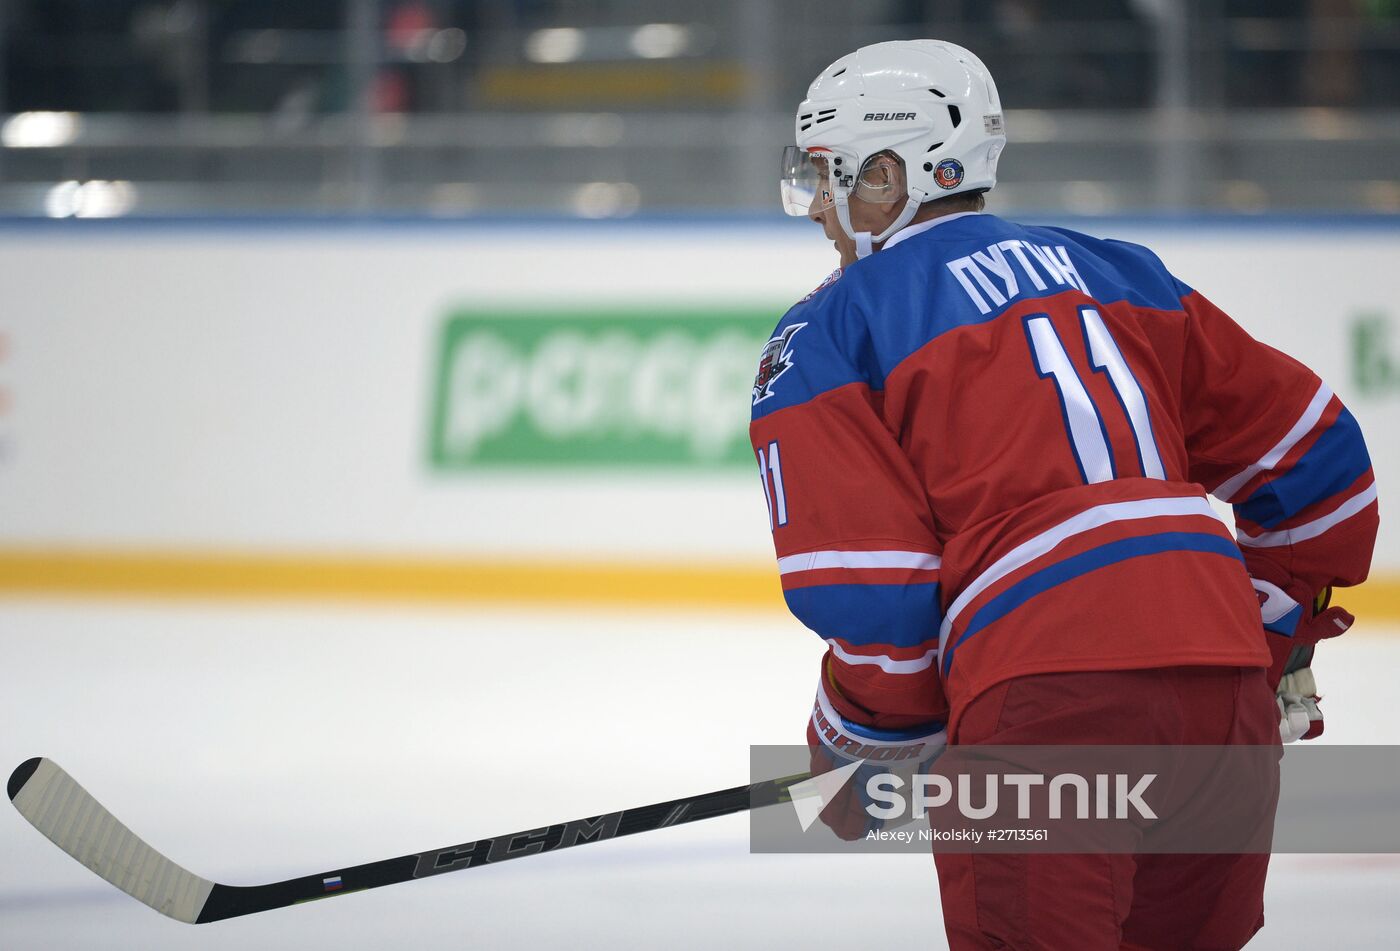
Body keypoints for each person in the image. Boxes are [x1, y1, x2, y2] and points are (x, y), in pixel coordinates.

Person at [750, 39, 1378, 950]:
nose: (816, 209)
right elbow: (1324, 467)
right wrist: (1271, 633)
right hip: (1223, 706)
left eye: (829, 174)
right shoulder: (1125, 272)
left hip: (1043, 700)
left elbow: (877, 593)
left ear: (891, 174)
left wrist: (854, 753)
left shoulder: (829, 328)